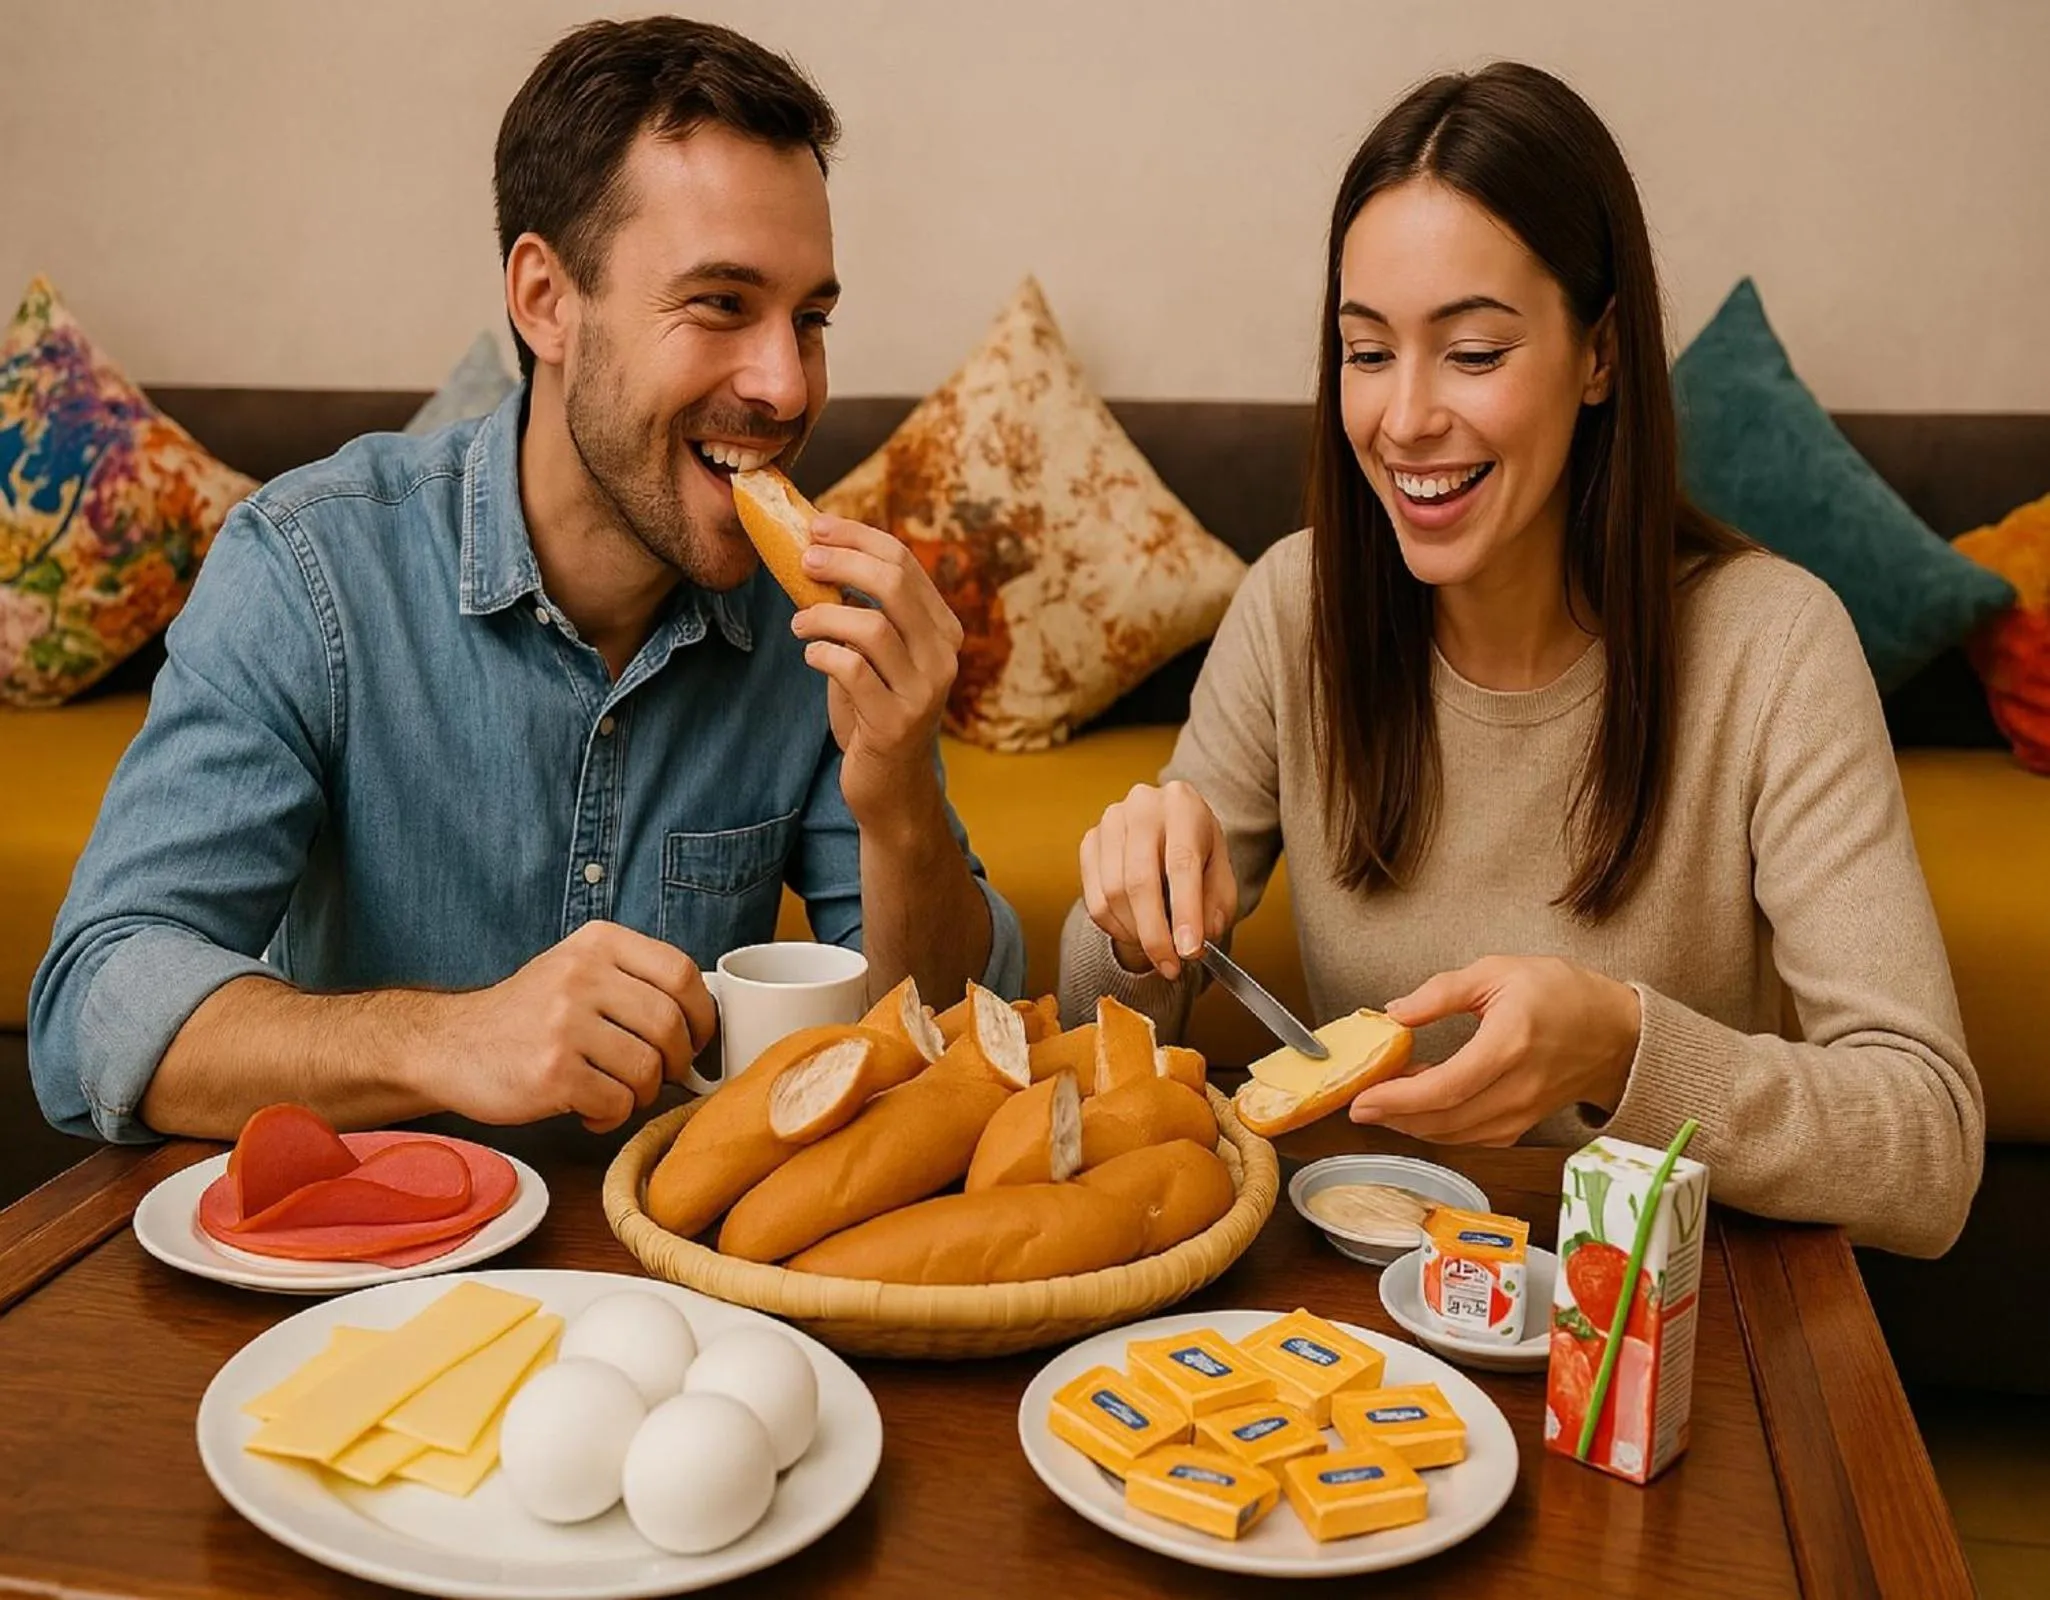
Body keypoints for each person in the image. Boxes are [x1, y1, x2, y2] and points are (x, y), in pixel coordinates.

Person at [31, 17, 1023, 1145]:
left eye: (811, 319)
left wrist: (896, 802)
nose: (787, 386)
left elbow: (949, 1030)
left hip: (678, 1281)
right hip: (375, 1277)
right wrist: (452, 1040)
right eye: (720, 304)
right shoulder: (310, 571)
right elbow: (94, 1008)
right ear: (546, 299)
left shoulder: (817, 624)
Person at [1061, 63, 1981, 1256]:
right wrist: (1133, 921)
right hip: (1380, 1297)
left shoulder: (1774, 645)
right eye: (1367, 351)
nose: (1404, 420)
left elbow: (1931, 1151)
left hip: (1650, 1319)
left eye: (1475, 353)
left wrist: (1623, 1048)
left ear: (1598, 355)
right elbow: (1099, 1036)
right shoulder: (1296, 604)